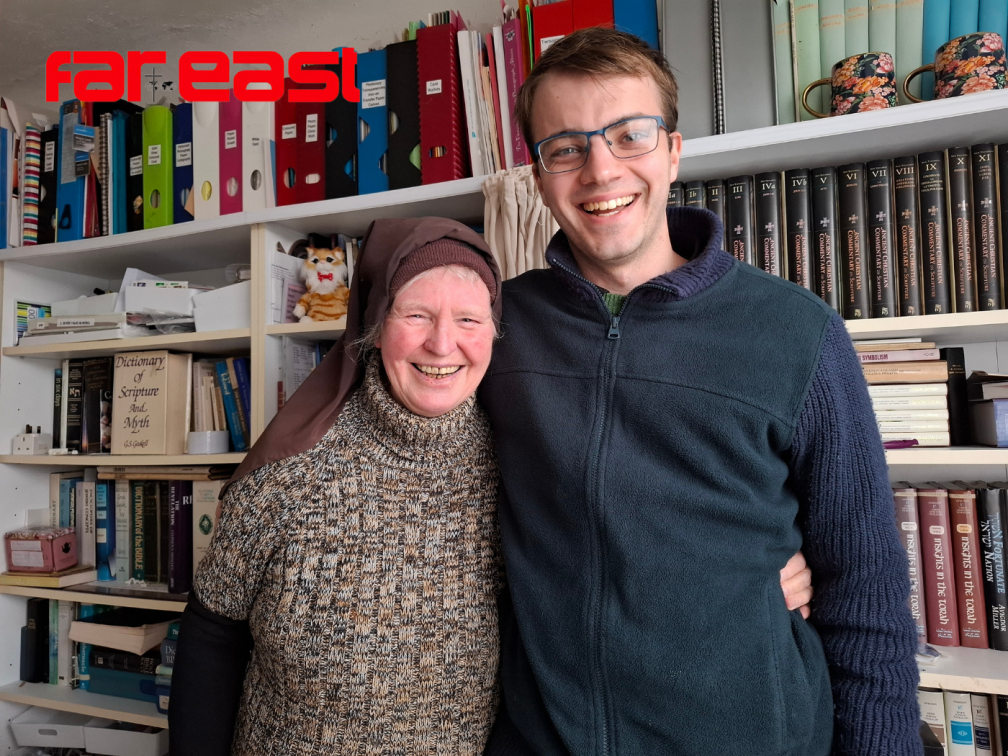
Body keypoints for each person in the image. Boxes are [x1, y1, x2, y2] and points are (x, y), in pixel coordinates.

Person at [169, 217, 813, 755]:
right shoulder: (289, 471)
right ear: (372, 324)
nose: (442, 343)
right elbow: (211, 638)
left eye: (470, 320)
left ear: (497, 333)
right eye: (415, 313)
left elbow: (610, 537)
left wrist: (743, 572)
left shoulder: (523, 448)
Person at [478, 27, 919, 756]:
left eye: (629, 135)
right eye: (566, 147)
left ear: (673, 152)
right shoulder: (491, 329)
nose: (600, 170)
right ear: (538, 176)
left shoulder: (798, 332)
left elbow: (864, 586)